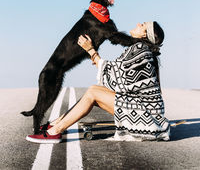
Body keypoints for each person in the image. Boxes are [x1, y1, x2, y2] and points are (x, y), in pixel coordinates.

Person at [26, 21, 170, 143]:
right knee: (94, 89)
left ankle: (55, 131)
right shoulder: (143, 51)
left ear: (144, 35)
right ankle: (55, 124)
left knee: (94, 92)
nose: (138, 24)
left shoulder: (140, 50)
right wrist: (92, 53)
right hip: (145, 112)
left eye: (142, 25)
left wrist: (90, 50)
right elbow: (119, 77)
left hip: (146, 117)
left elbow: (116, 76)